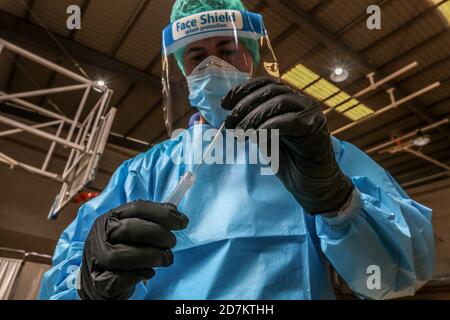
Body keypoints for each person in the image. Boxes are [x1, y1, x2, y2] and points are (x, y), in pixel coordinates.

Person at [39, 0, 435, 300]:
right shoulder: (143, 172)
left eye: (227, 50)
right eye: (197, 54)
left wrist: (337, 198)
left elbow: (398, 276)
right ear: (182, 69)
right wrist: (87, 282)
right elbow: (63, 280)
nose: (212, 63)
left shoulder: (314, 152)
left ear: (251, 56)